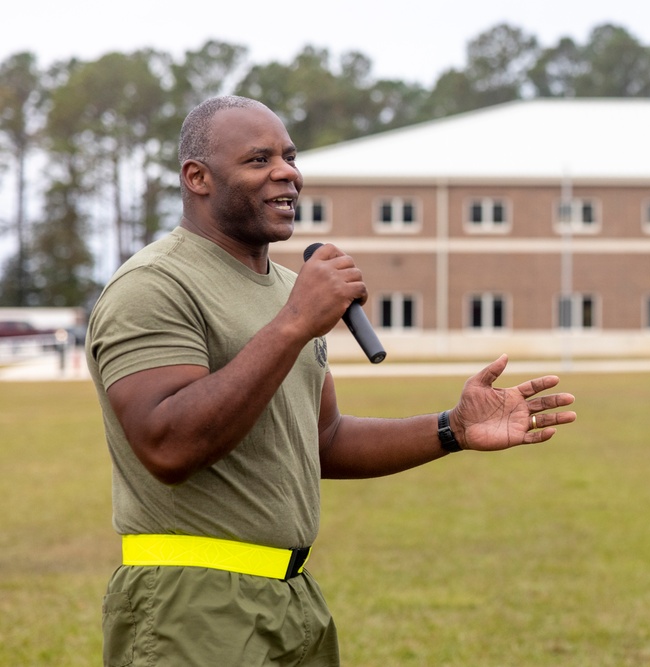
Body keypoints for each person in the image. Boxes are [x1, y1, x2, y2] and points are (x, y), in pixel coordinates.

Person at [85, 95, 576, 666]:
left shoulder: (287, 290)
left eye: (290, 157)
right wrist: (296, 323)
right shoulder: (156, 285)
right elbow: (166, 445)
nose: (287, 172)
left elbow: (323, 441)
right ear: (197, 177)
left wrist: (452, 429)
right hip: (191, 604)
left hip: (292, 597)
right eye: (258, 159)